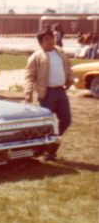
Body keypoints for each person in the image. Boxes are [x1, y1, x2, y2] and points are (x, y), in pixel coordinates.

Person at [25, 28, 74, 160]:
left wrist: (70, 79)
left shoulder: (60, 52)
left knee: (66, 120)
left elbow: (68, 66)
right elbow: (29, 76)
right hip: (47, 93)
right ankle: (42, 149)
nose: (51, 41)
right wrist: (28, 92)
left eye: (51, 38)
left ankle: (49, 147)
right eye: (46, 39)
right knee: (46, 124)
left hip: (61, 91)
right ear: (40, 43)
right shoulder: (36, 57)